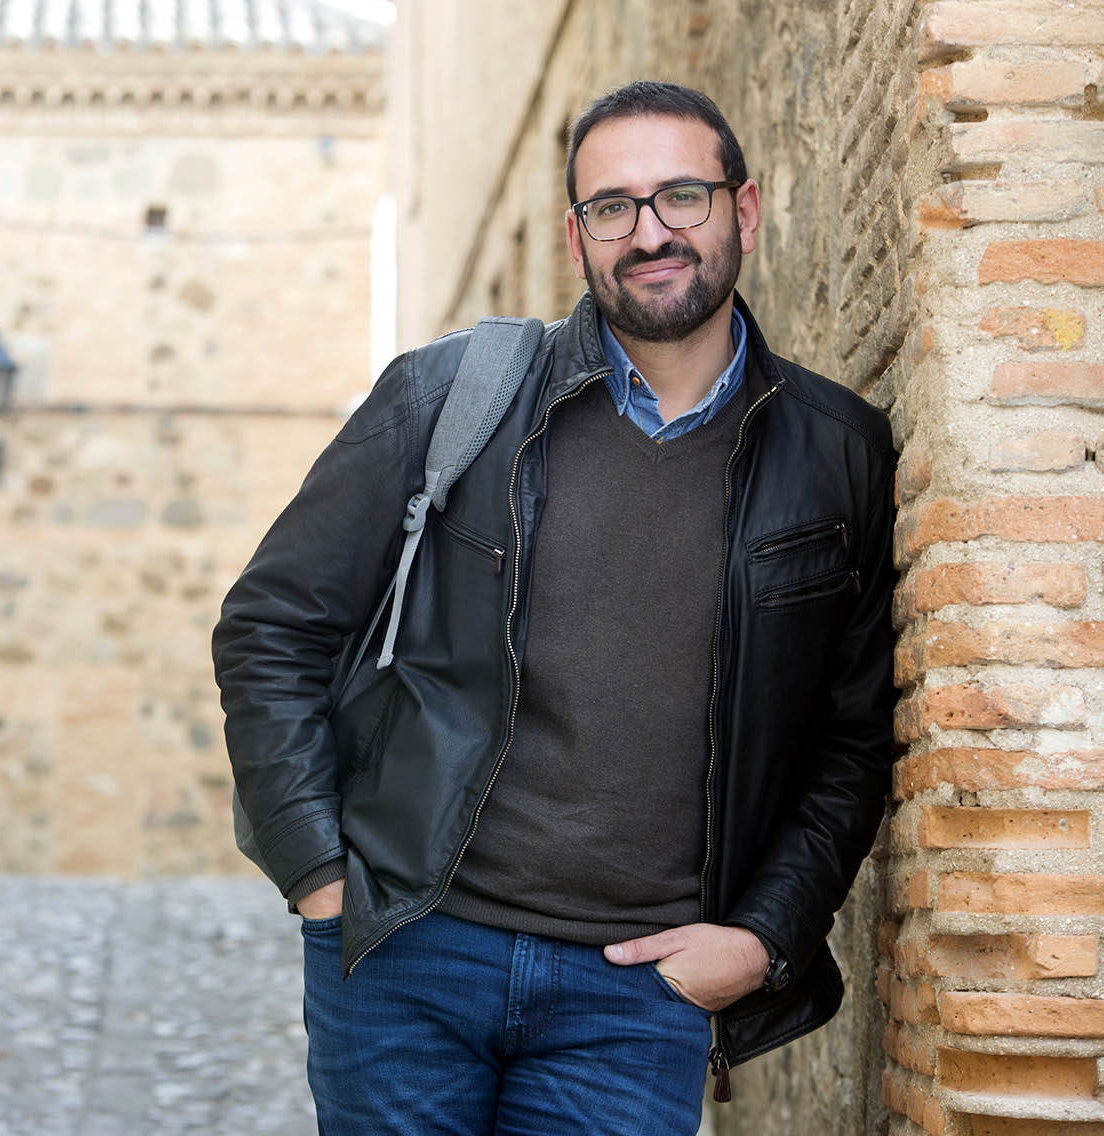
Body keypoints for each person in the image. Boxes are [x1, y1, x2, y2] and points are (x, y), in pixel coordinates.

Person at [212, 81, 896, 1136]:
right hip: (411, 958)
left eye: (682, 195)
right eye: (612, 207)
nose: (651, 231)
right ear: (577, 238)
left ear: (745, 212)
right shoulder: (448, 396)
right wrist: (317, 874)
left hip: (635, 996)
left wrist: (762, 939)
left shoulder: (837, 453)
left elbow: (848, 741)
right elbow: (271, 626)